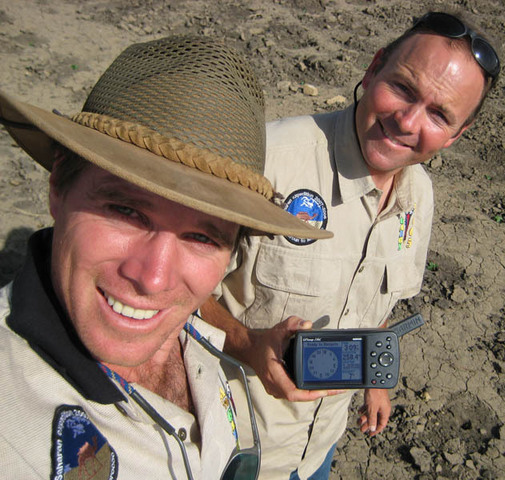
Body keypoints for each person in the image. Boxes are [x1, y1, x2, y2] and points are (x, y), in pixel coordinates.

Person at [0, 35, 331, 480]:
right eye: (125, 211)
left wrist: (249, 344)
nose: (153, 279)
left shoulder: (191, 328)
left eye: (201, 237)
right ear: (58, 185)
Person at [201, 10, 502, 480]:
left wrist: (373, 382)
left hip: (320, 447)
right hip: (232, 446)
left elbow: (376, 299)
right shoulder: (267, 162)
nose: (407, 121)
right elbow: (171, 290)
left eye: (439, 115)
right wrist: (247, 342)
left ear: (457, 135)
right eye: (403, 88)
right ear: (374, 66)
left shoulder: (418, 195)